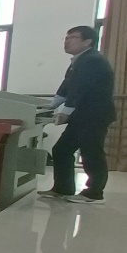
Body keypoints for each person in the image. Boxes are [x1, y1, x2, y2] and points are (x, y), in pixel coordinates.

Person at [41, 26, 117, 204]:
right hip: (81, 115)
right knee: (61, 150)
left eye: (72, 37)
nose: (67, 41)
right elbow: (67, 86)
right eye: (66, 37)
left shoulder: (93, 60)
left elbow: (81, 89)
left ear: (87, 42)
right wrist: (51, 105)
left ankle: (94, 194)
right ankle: (62, 188)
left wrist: (65, 112)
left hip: (94, 115)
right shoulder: (79, 60)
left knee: (91, 152)